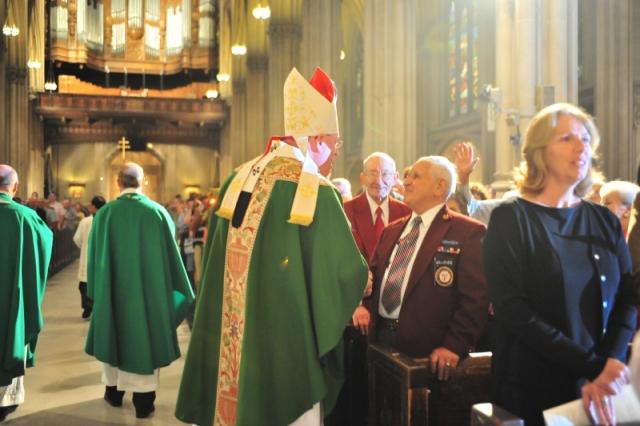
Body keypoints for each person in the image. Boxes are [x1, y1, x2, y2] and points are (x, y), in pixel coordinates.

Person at [175, 67, 369, 426]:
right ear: (316, 140)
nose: (335, 154)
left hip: (232, 341)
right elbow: (343, 273)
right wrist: (364, 280)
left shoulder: (237, 178)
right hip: (287, 344)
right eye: (335, 144)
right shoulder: (316, 190)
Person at [483, 103, 636, 426]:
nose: (581, 147)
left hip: (600, 388)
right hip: (533, 389)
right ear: (539, 151)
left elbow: (627, 296)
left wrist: (610, 363)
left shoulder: (604, 220)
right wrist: (594, 366)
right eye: (567, 138)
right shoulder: (511, 218)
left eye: (585, 139)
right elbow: (514, 311)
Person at [85, 162, 194, 419]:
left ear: (118, 182)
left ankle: (113, 393)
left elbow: (94, 257)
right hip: (148, 296)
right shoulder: (157, 213)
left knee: (114, 334)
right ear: (142, 182)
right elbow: (170, 255)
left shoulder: (105, 214)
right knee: (144, 338)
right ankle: (144, 403)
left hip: (113, 293)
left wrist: (97, 289)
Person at [367, 156, 489, 380]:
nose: (406, 181)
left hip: (429, 354)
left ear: (439, 186)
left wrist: (454, 345)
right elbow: (372, 278)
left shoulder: (467, 232)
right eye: (408, 176)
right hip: (380, 340)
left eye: (416, 176)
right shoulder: (392, 230)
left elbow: (476, 299)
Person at [333, 152, 411, 425]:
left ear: (395, 177)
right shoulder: (345, 210)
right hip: (356, 315)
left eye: (386, 174)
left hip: (393, 316)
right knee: (356, 391)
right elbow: (337, 261)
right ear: (362, 177)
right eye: (373, 173)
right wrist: (354, 303)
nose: (380, 180)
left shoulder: (406, 212)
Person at [0, 164, 53, 422]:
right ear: (16, 187)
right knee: (12, 332)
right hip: (12, 297)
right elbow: (45, 243)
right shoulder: (26, 217)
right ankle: (5, 400)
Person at [72, 195, 106, 319]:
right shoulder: (107, 220)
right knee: (101, 283)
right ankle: (100, 307)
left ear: (93, 207)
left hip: (88, 256)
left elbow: (77, 239)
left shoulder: (85, 222)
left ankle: (88, 306)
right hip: (104, 257)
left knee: (85, 284)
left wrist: (84, 247)